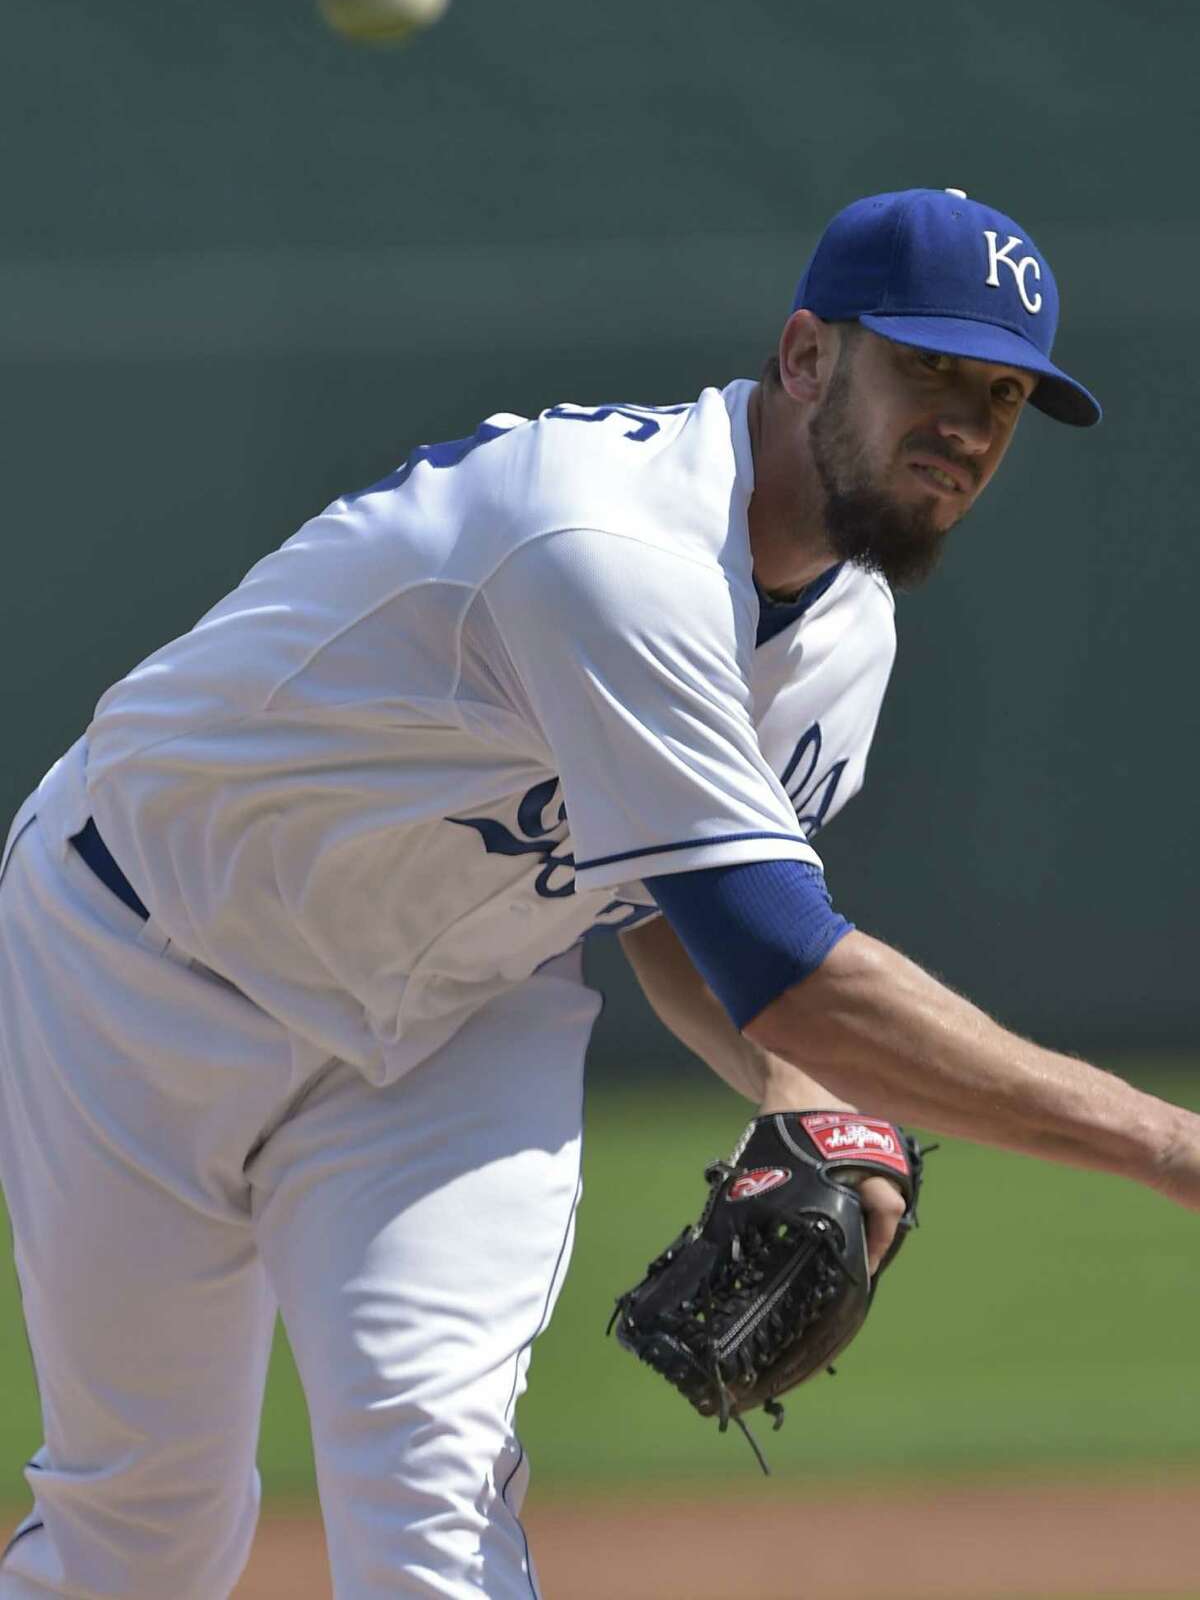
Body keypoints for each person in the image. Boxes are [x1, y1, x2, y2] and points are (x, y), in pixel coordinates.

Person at [1, 186, 1196, 1599]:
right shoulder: (606, 544)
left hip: (453, 1020)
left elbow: (669, 922)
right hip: (137, 958)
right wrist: (1169, 1147)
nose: (968, 423)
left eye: (1004, 393)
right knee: (143, 1528)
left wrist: (800, 1096)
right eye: (927, 366)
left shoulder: (850, 636)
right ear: (806, 355)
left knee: (433, 1487)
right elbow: (785, 961)